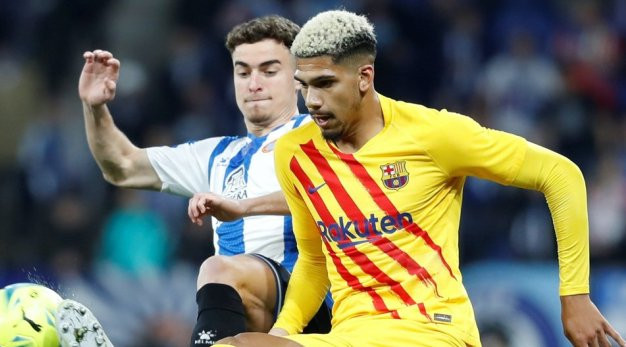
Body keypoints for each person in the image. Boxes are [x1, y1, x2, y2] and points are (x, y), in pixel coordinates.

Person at [214, 10, 626, 347]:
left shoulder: (433, 134)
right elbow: (315, 260)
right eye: (304, 86)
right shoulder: (296, 152)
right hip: (351, 337)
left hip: (434, 331)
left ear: (364, 78)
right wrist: (284, 333)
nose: (313, 101)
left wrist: (575, 296)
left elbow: (560, 173)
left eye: (325, 84)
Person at [56, 15, 330, 347]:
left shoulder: (324, 135)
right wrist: (94, 108)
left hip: (317, 309)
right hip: (255, 320)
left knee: (218, 270)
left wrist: (243, 207)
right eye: (243, 72)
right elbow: (123, 166)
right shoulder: (216, 155)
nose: (253, 83)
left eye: (269, 71)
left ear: (299, 79)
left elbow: (332, 196)